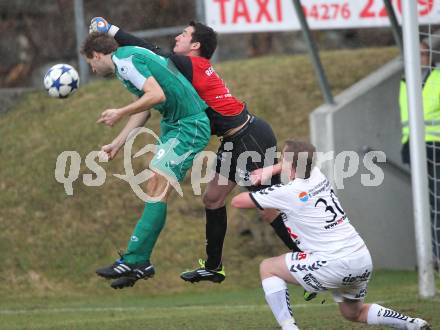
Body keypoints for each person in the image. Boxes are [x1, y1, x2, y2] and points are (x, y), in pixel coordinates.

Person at [89, 17, 304, 286]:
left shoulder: (190, 63)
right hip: (235, 138)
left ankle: (306, 257)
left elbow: (148, 50)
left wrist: (110, 30)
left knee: (269, 208)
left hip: (250, 136)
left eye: (184, 34)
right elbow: (151, 72)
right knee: (213, 199)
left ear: (196, 45)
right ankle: (213, 267)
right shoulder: (185, 68)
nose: (177, 37)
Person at [231, 140, 431, 330]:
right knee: (353, 312)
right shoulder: (317, 175)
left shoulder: (288, 192)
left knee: (268, 268)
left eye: (283, 158)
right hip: (361, 259)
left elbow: (238, 202)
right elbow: (292, 167)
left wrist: (247, 178)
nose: (280, 162)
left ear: (291, 165)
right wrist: (271, 169)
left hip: (332, 263)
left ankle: (289, 327)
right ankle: (410, 323)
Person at [80, 32, 211, 289]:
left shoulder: (126, 61)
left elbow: (156, 95)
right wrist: (117, 143)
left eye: (90, 64)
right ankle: (139, 262)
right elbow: (145, 109)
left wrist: (119, 112)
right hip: (175, 126)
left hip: (190, 124)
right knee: (154, 189)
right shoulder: (124, 63)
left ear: (96, 55)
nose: (93, 70)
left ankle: (136, 260)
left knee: (156, 186)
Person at [400, 40, 440, 267]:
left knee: (437, 202)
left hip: (436, 147)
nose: (420, 58)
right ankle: (429, 256)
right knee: (423, 204)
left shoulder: (437, 78)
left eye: (423, 54)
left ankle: (435, 255)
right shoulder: (405, 81)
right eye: (416, 54)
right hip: (414, 148)